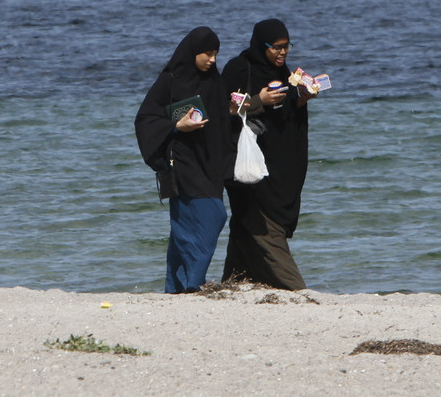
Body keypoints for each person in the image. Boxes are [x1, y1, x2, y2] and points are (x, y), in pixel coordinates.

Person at [220, 18, 317, 290]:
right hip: (249, 166)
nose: (282, 52)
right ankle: (296, 288)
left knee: (243, 227)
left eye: (286, 46)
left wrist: (299, 100)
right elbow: (222, 111)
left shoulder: (284, 73)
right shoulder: (240, 69)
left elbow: (285, 121)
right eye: (276, 47)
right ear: (261, 45)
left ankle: (235, 281)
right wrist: (258, 100)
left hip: (279, 165)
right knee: (264, 226)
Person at [135, 27, 233, 293]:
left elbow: (220, 120)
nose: (212, 60)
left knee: (188, 227)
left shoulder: (214, 79)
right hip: (182, 162)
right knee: (210, 217)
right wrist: (177, 127)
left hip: (210, 162)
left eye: (216, 54)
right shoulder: (170, 80)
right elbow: (146, 119)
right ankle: (192, 284)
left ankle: (177, 286)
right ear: (192, 53)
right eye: (207, 54)